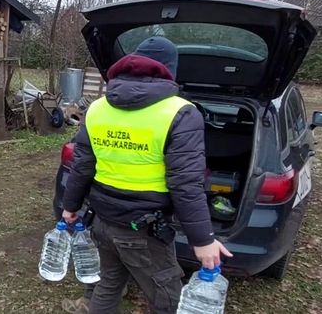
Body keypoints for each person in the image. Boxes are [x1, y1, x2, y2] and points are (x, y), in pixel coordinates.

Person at [61, 36, 232, 314]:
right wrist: (202, 240)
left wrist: (70, 207)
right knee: (167, 298)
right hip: (143, 230)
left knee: (107, 284)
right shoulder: (180, 112)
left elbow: (82, 165)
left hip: (102, 221)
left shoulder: (97, 108)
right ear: (169, 70)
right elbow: (186, 184)